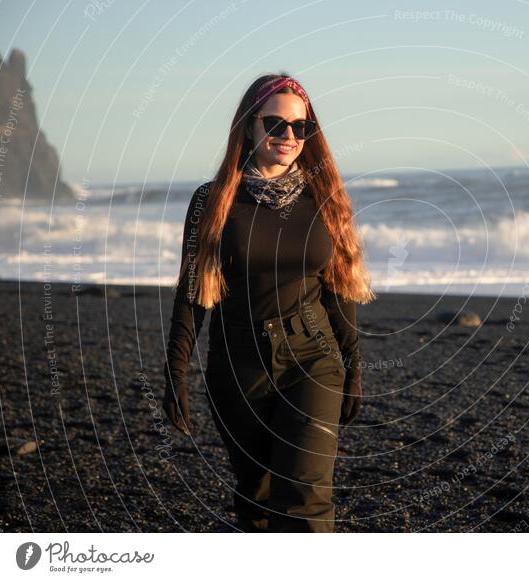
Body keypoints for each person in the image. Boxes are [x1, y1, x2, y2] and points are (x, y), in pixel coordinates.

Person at [161, 73, 376, 533]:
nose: (290, 136)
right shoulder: (212, 200)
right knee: (257, 499)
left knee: (305, 499)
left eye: (301, 127)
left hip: (313, 357)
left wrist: (354, 365)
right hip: (238, 366)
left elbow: (338, 287)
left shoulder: (326, 198)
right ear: (249, 126)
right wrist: (175, 372)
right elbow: (193, 292)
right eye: (276, 124)